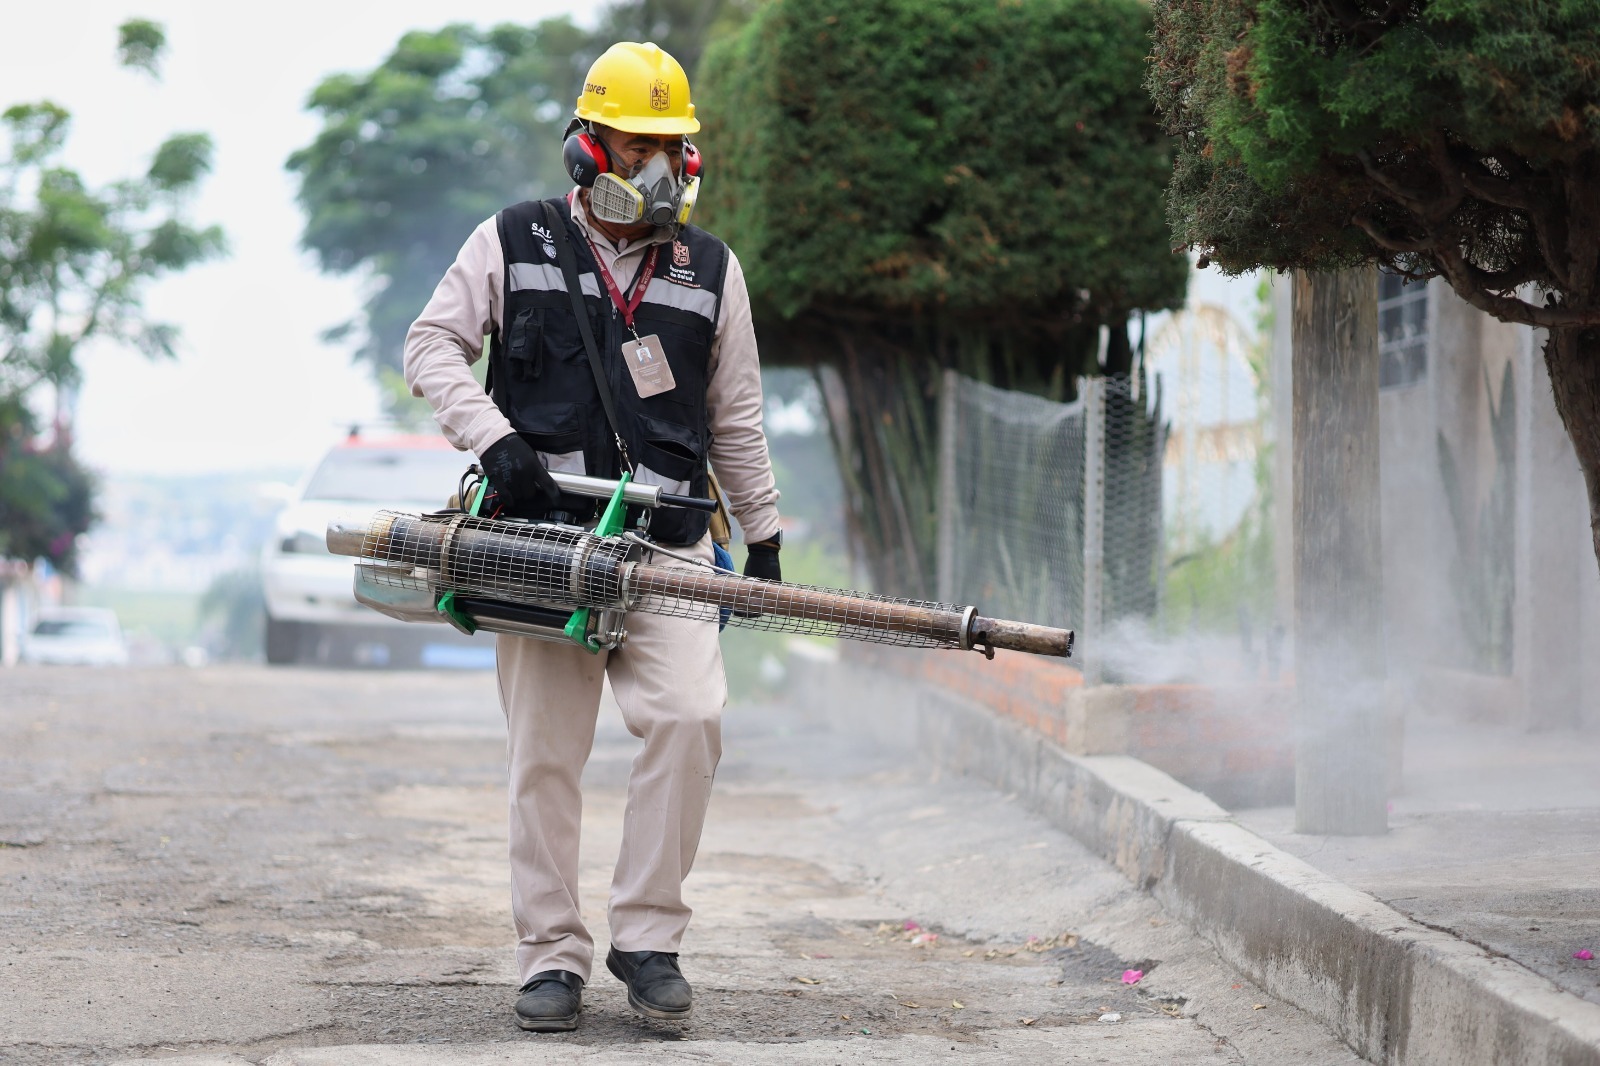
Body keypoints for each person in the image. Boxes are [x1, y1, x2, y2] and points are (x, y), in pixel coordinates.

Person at [402, 41, 782, 1031]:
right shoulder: (514, 238)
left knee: (691, 715)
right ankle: (550, 957)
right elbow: (429, 343)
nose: (656, 167)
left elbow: (734, 418)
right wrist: (494, 440)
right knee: (544, 755)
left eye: (672, 147)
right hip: (539, 542)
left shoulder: (710, 271)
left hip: (666, 540)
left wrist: (767, 533)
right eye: (636, 143)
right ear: (587, 148)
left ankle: (647, 936)